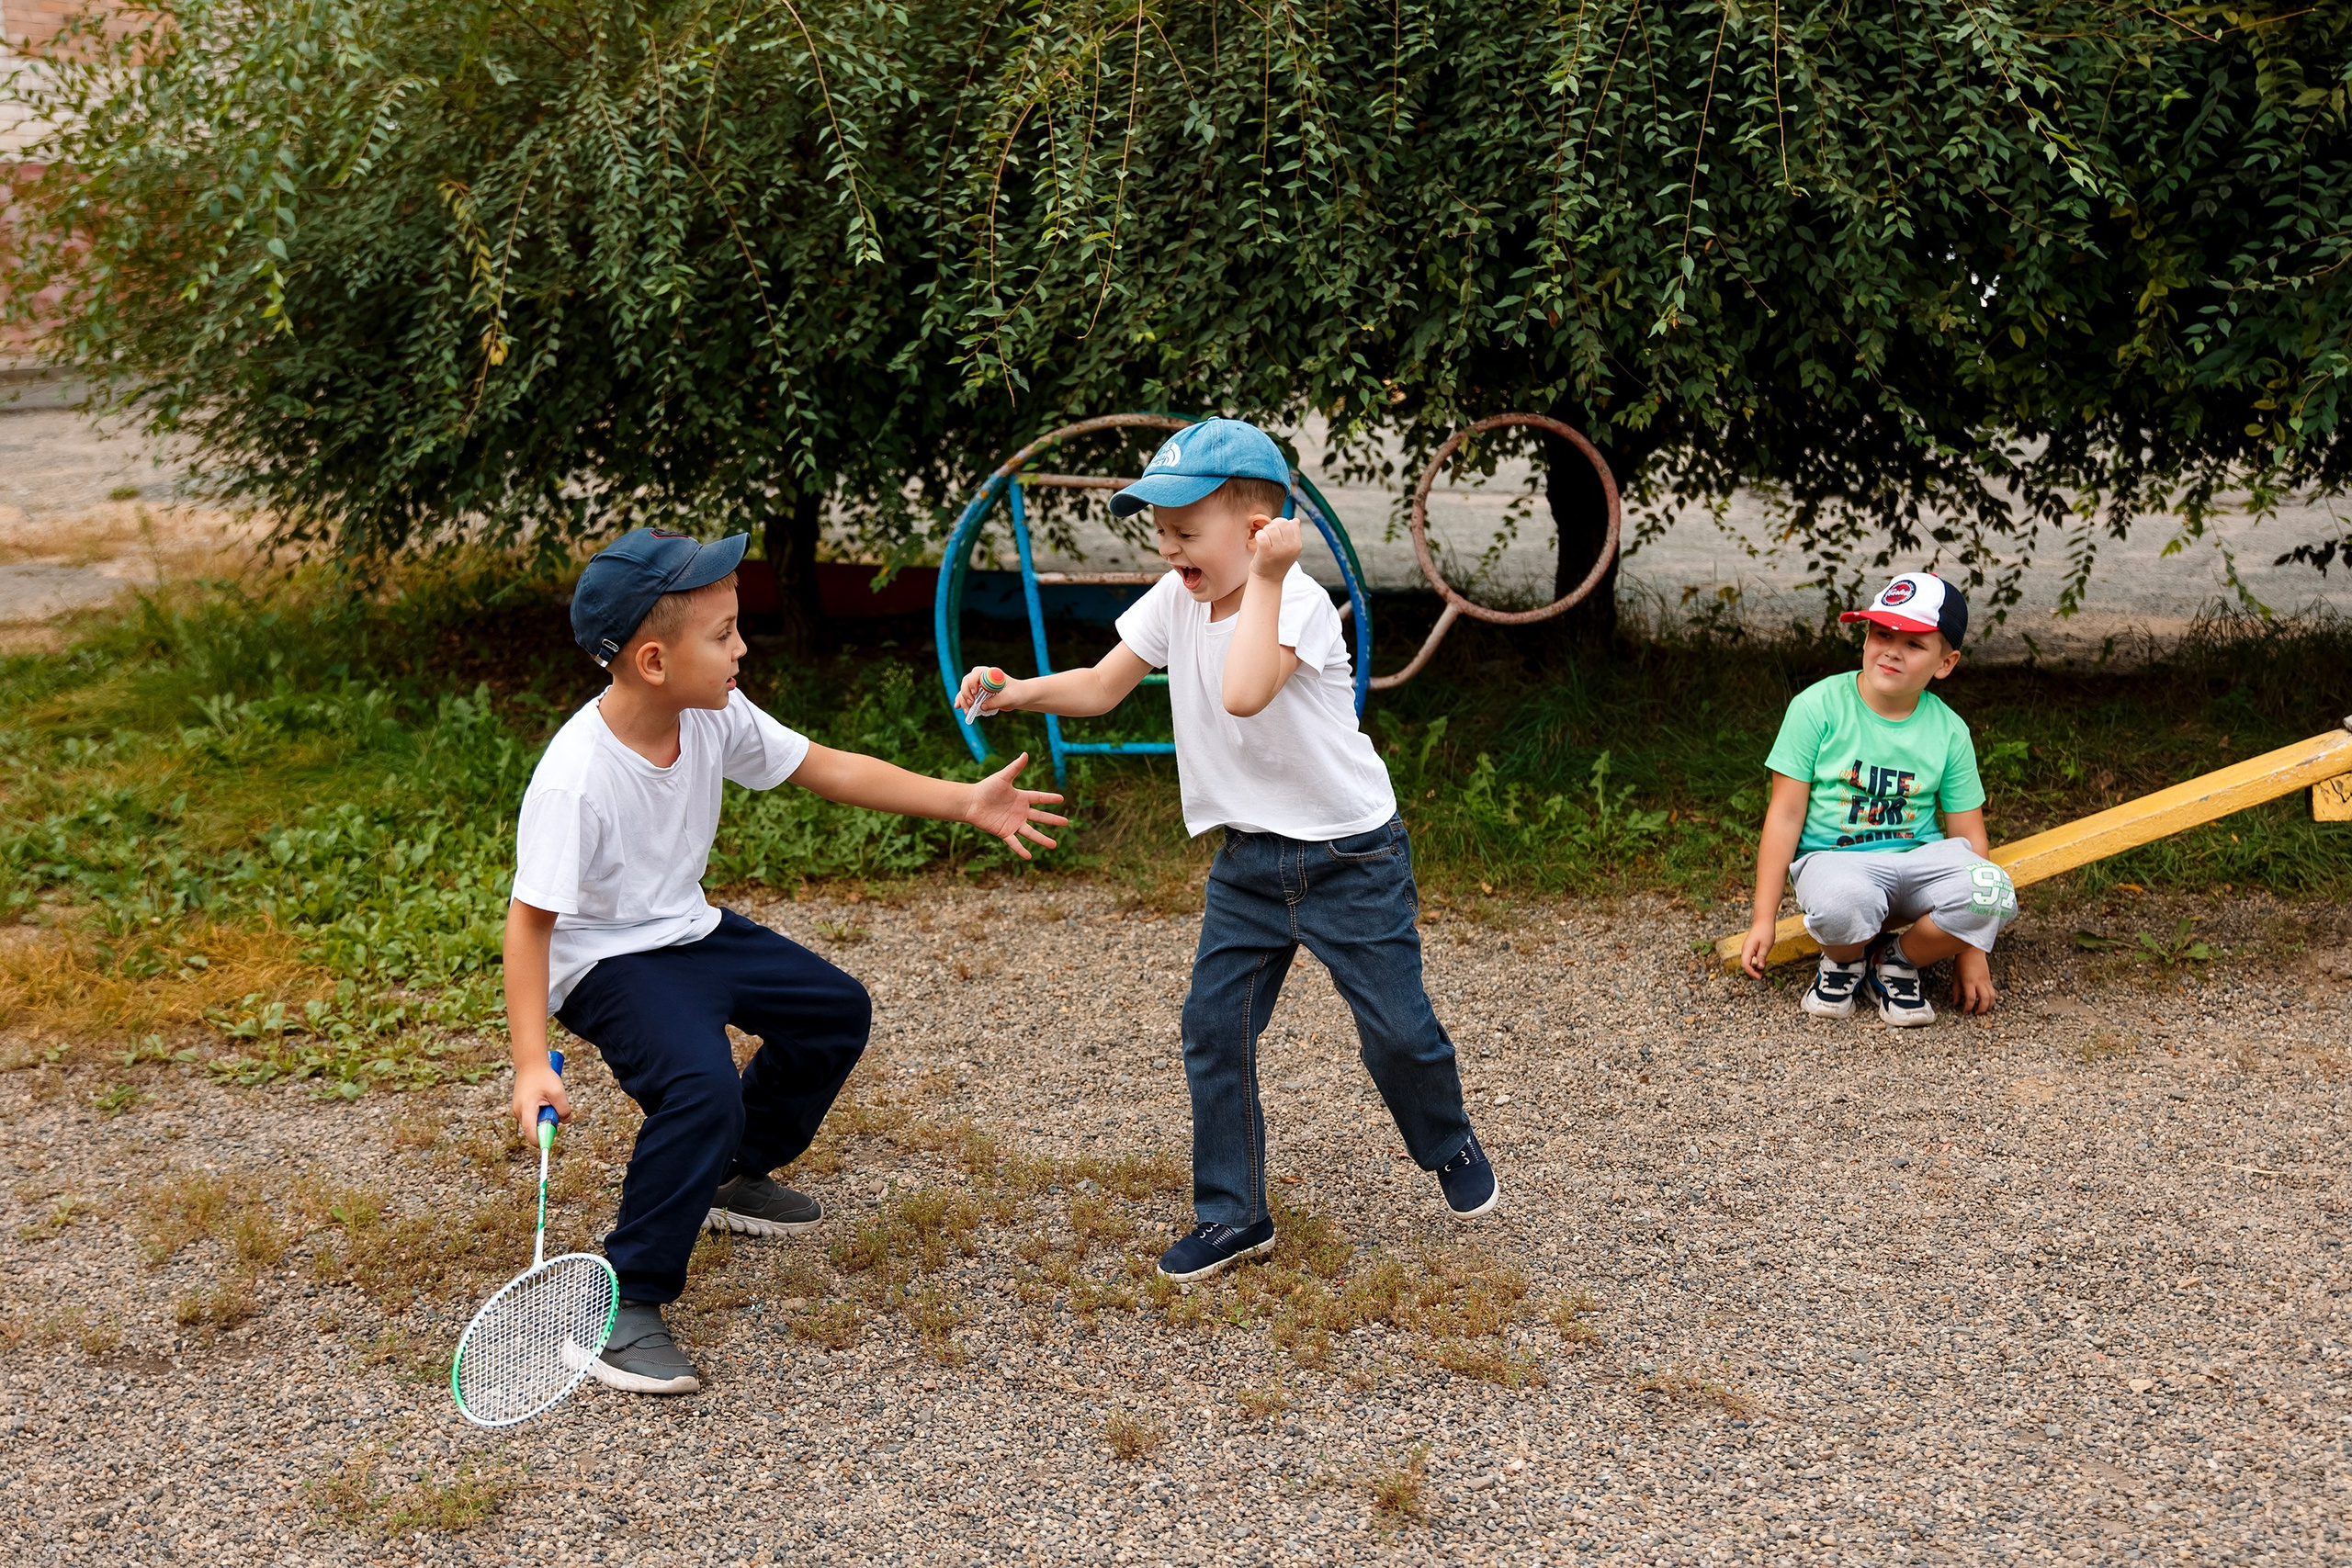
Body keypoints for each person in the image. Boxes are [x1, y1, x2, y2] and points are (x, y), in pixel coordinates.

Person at [506, 527, 1066, 1395]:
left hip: (687, 929)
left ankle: (732, 1171)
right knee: (699, 1090)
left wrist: (966, 802)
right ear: (654, 661)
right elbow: (530, 924)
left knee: (833, 1011)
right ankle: (627, 1304)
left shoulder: (713, 712)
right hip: (608, 961)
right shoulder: (577, 778)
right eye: (723, 633)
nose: (741, 646)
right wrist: (529, 1064)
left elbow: (826, 766)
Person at [955, 418, 1496, 1285]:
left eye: (1186, 531)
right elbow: (1101, 686)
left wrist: (1275, 577)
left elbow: (1244, 692)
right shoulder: (1177, 600)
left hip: (1349, 855)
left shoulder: (1301, 603)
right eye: (1161, 531)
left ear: (1257, 528)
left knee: (1396, 1030)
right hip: (1248, 861)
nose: (1169, 548)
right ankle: (1234, 1214)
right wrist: (1017, 691)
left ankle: (1445, 1136)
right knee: (1214, 1026)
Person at [1740, 570, 2018, 1025]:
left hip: (1915, 866)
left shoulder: (1949, 730)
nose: (1891, 650)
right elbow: (1785, 815)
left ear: (1945, 663)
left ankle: (1895, 962)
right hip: (1836, 862)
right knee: (1844, 901)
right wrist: (1763, 919)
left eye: (1914, 644)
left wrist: (1972, 950)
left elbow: (1968, 834)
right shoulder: (1816, 708)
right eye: (1882, 633)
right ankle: (1844, 961)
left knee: (1993, 891)